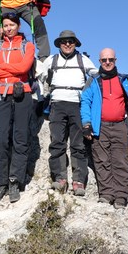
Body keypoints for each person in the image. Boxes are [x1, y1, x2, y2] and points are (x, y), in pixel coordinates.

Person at [80, 49, 128, 208]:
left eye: (110, 60)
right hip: (99, 126)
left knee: (120, 161)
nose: (107, 63)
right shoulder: (93, 80)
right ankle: (106, 194)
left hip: (120, 126)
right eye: (104, 60)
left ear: (115, 60)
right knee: (102, 161)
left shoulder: (123, 80)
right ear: (99, 62)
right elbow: (85, 101)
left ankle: (121, 196)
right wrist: (86, 124)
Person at [39, 30, 98, 196]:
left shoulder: (82, 59)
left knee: (78, 144)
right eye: (64, 41)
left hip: (77, 104)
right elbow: (40, 76)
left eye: (71, 41)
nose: (67, 44)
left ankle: (78, 181)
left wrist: (88, 92)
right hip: (57, 104)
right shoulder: (51, 60)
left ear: (75, 43)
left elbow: (96, 75)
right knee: (57, 142)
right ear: (59, 44)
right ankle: (60, 178)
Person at [0, 13, 36, 203]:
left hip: (22, 93)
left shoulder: (28, 46)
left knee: (20, 139)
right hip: (0, 95)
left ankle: (15, 181)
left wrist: (3, 66)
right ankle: (1, 184)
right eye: (5, 25)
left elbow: (24, 68)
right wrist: (11, 67)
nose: (8, 28)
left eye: (12, 25)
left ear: (18, 26)